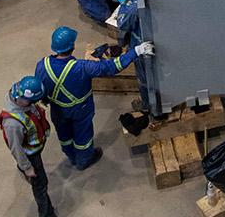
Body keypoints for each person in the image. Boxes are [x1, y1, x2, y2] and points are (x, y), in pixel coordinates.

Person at [33, 25, 153, 170]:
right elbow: (113, 66)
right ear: (72, 47)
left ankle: (71, 156)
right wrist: (136, 51)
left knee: (64, 135)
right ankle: (83, 160)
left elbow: (40, 90)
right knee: (83, 136)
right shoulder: (82, 67)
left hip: (57, 110)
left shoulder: (42, 65)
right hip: (80, 110)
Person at [0, 76, 68, 217]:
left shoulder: (20, 95)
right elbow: (16, 149)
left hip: (34, 147)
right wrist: (27, 166)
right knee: (40, 185)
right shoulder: (13, 124)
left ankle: (23, 169)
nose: (35, 103)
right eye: (33, 101)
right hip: (30, 154)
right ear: (22, 99)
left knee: (30, 171)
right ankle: (47, 215)